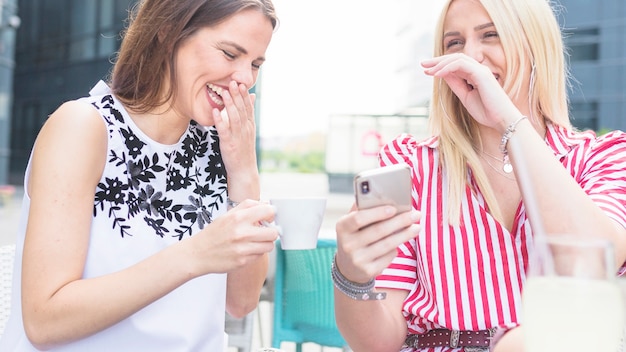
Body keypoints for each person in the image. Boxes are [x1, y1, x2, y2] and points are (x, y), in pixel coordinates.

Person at [332, 0, 626, 351]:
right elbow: (378, 343)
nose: (471, 56)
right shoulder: (411, 164)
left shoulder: (604, 157)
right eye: (454, 43)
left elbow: (588, 262)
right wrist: (352, 275)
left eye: (491, 35)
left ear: (536, 47)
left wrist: (507, 119)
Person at [0, 0, 279, 351]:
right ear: (168, 33)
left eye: (255, 64)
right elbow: (44, 319)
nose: (245, 78)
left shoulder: (218, 145)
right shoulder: (84, 128)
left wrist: (244, 170)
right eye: (229, 53)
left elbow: (241, 302)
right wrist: (194, 255)